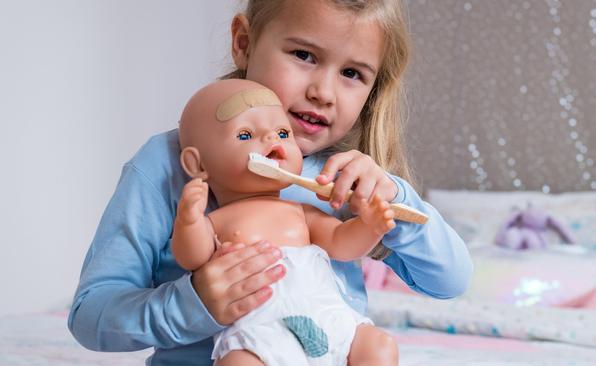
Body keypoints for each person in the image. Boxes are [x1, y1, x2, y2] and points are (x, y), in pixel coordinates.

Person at [68, 1, 473, 365]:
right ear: (244, 42)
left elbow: (451, 281)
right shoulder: (167, 165)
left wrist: (391, 198)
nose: (323, 93)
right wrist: (193, 303)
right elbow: (91, 315)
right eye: (304, 55)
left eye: (352, 73)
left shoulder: (349, 176)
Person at [174, 78, 398, 365]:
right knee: (239, 362)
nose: (272, 140)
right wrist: (189, 220)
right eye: (245, 135)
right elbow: (191, 257)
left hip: (330, 321)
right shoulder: (216, 220)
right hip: (262, 334)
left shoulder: (299, 211)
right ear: (198, 165)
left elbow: (342, 243)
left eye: (282, 132)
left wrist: (369, 226)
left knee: (379, 346)